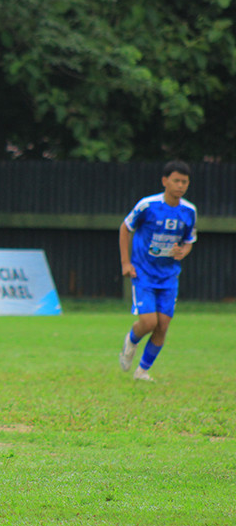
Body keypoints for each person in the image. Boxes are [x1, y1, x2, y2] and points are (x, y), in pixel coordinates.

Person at [118, 160, 197, 382]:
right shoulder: (148, 205)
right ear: (165, 181)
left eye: (185, 182)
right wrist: (126, 263)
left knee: (163, 325)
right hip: (143, 272)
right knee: (149, 323)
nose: (180, 186)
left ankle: (142, 371)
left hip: (169, 276)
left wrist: (184, 251)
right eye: (176, 181)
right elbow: (125, 227)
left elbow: (189, 240)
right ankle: (131, 341)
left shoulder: (189, 211)